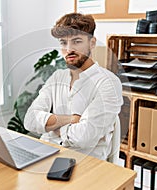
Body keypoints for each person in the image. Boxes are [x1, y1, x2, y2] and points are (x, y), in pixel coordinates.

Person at [24, 12, 123, 160]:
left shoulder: (108, 83)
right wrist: (71, 119)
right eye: (63, 42)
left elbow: (84, 137)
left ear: (92, 43)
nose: (69, 49)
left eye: (76, 41)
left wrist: (52, 127)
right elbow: (30, 120)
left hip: (84, 162)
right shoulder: (57, 77)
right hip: (47, 154)